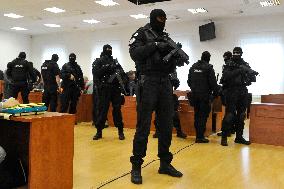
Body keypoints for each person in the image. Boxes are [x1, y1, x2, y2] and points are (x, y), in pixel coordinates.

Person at [129, 9, 185, 184]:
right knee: (143, 126)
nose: (163, 21)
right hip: (148, 83)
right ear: (153, 19)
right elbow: (134, 53)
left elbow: (172, 62)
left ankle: (165, 163)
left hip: (165, 83)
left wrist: (176, 58)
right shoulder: (142, 33)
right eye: (160, 18)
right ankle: (136, 166)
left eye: (165, 19)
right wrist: (154, 45)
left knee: (166, 125)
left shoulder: (167, 37)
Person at [220, 47, 258, 146]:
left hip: (242, 91)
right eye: (235, 52)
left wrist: (247, 75)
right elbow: (226, 77)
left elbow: (253, 79)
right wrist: (239, 70)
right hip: (231, 91)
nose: (236, 54)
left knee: (241, 115)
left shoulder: (245, 64)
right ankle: (224, 137)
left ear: (241, 53)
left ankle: (239, 137)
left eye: (238, 52)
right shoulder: (229, 64)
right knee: (230, 115)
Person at [92, 44, 127, 140]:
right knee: (102, 110)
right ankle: (99, 131)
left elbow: (122, 74)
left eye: (110, 49)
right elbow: (96, 74)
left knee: (117, 110)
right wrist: (108, 67)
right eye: (108, 49)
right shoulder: (98, 61)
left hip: (115, 89)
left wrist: (122, 82)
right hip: (104, 89)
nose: (109, 51)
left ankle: (120, 131)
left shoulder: (115, 61)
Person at [187, 51, 220, 143]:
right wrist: (216, 94)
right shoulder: (209, 68)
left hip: (194, 95)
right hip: (204, 96)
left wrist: (195, 88)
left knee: (197, 115)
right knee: (203, 116)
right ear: (209, 58)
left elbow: (189, 81)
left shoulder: (193, 66)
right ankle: (200, 137)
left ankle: (198, 135)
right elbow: (213, 84)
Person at [153, 71, 187, 139]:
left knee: (173, 114)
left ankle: (178, 131)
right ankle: (158, 131)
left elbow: (176, 83)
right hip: (160, 94)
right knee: (159, 114)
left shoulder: (171, 70)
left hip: (167, 94)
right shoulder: (157, 69)